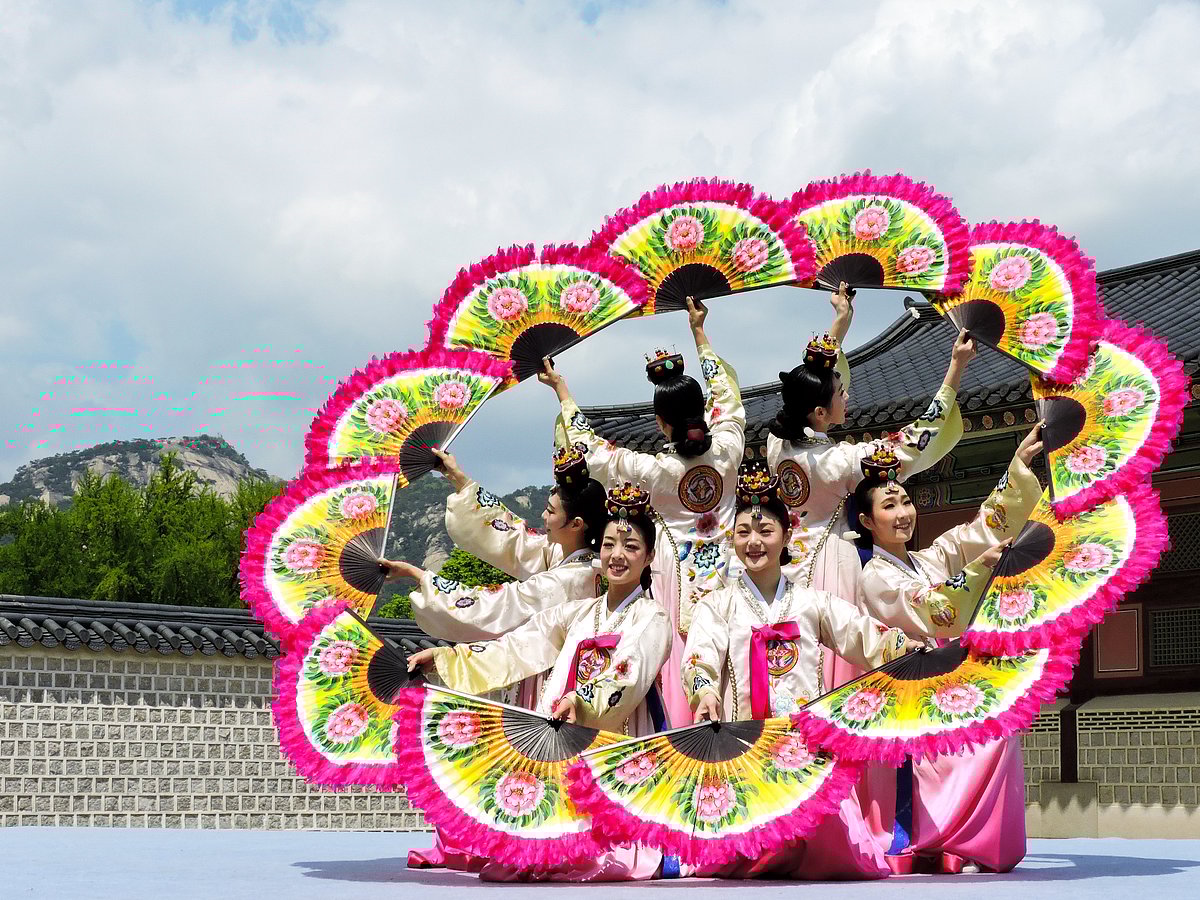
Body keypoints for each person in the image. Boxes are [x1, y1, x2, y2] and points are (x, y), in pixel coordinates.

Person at [407, 483, 674, 881]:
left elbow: (629, 670)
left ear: (649, 556)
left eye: (631, 547)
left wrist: (581, 700)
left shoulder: (652, 616)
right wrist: (446, 658)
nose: (617, 556)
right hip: (566, 727)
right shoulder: (579, 613)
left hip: (618, 735)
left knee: (606, 835)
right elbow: (518, 645)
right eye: (610, 544)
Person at [680, 463, 921, 880]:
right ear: (731, 538)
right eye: (743, 533)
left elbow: (860, 633)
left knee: (836, 857)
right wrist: (704, 693)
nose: (754, 542)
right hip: (746, 744)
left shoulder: (811, 602)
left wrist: (903, 646)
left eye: (766, 531)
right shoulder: (716, 605)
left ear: (787, 536)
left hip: (805, 746)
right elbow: (699, 656)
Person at [381, 443, 606, 871]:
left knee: (523, 762)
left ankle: (508, 844)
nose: (543, 515)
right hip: (557, 676)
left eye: (551, 510)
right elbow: (515, 537)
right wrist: (459, 480)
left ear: (576, 524)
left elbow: (496, 605)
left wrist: (419, 577)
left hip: (543, 678)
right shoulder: (574, 560)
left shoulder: (568, 579)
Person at [542, 295, 744, 726]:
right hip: (730, 566)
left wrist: (563, 390)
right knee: (729, 660)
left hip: (671, 573)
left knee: (667, 654)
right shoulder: (728, 449)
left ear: (659, 422)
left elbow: (592, 451)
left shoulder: (652, 471)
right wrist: (700, 335)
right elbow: (727, 399)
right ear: (703, 412)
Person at [851, 426, 1045, 874]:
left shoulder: (926, 560)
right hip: (911, 689)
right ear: (867, 521)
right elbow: (932, 608)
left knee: (1001, 730)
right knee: (981, 741)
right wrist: (983, 566)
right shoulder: (874, 575)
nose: (902, 514)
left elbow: (979, 529)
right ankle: (939, 836)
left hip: (948, 677)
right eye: (889, 506)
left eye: (905, 501)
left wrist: (1019, 466)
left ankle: (969, 839)